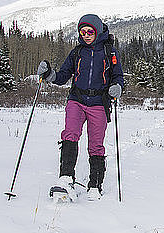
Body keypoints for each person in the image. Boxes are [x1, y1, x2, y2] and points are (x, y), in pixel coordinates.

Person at [37, 14, 124, 201]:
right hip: (76, 100)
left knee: (96, 144)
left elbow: (118, 76)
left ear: (97, 31)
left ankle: (95, 185)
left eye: (89, 32)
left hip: (99, 103)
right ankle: (66, 177)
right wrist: (49, 74)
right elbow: (62, 76)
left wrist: (117, 87)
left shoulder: (110, 52)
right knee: (70, 133)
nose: (85, 35)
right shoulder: (77, 52)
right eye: (82, 32)